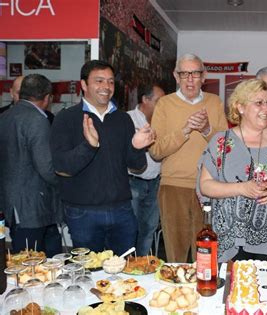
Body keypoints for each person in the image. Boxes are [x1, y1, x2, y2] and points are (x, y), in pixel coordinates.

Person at [50, 60, 155, 255]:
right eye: (99, 81)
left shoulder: (123, 119)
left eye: (110, 82)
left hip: (122, 210)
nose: (106, 87)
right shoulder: (66, 118)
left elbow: (137, 167)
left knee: (126, 273)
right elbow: (61, 167)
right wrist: (89, 146)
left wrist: (137, 147)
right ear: (83, 85)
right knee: (88, 275)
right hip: (83, 213)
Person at [197, 79, 267, 262]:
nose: (266, 109)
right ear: (240, 107)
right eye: (258, 103)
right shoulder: (221, 142)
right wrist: (241, 189)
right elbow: (205, 186)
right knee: (236, 288)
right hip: (232, 241)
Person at [149, 53, 228, 262]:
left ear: (204, 76)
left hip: (209, 189)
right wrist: (184, 131)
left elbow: (226, 148)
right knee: (176, 258)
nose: (190, 79)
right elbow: (155, 151)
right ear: (176, 76)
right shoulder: (164, 104)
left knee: (206, 256)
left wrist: (206, 129)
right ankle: (179, 294)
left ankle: (206, 294)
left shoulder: (215, 102)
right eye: (185, 74)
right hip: (173, 188)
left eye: (195, 73)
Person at [0, 74, 62, 257]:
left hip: (13, 205)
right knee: (35, 265)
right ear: (47, 97)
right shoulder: (37, 120)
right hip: (33, 207)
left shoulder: (5, 117)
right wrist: (65, 182)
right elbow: (46, 167)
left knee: (24, 260)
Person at [127, 83, 165, 256]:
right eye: (159, 101)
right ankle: (128, 266)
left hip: (156, 182)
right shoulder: (128, 120)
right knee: (130, 228)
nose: (162, 105)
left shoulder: (163, 122)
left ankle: (143, 264)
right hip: (133, 182)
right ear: (145, 99)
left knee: (149, 228)